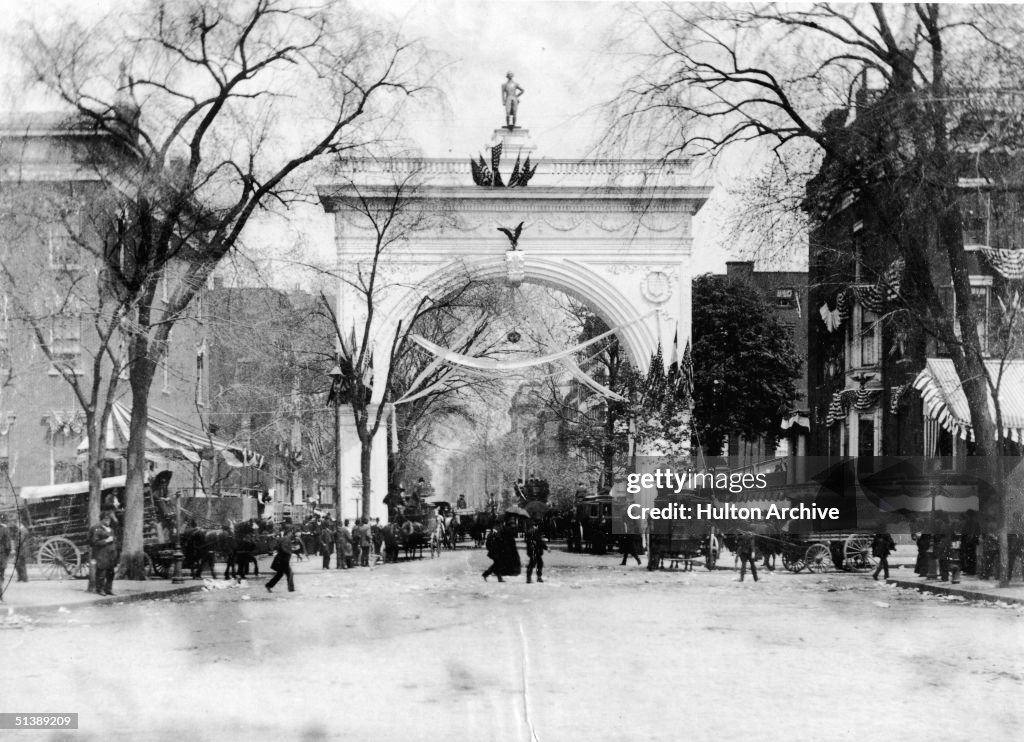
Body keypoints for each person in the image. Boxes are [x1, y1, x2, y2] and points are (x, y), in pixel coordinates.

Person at [89, 510, 119, 596]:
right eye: (105, 520)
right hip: (101, 554)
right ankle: (100, 590)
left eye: (109, 520)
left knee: (111, 573)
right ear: (101, 520)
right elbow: (94, 542)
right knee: (101, 573)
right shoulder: (97, 529)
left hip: (110, 555)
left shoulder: (111, 529)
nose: (108, 521)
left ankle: (108, 589)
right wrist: (106, 540)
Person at [266, 529, 296, 593]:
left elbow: (279, 547)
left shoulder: (283, 538)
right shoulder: (286, 539)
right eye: (291, 533)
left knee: (280, 574)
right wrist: (290, 552)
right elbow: (283, 547)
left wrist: (291, 549)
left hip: (280, 558)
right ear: (288, 533)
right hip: (283, 559)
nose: (292, 534)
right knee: (289, 573)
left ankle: (269, 585)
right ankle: (291, 588)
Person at [14, 517, 30, 582]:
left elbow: (20, 540)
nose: (16, 525)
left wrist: (16, 546)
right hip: (21, 549)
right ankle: (22, 577)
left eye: (16, 524)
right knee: (20, 564)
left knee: (20, 564)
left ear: (19, 523)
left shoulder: (23, 530)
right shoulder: (22, 530)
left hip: (22, 550)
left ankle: (23, 578)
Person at [0, 515, 12, 598]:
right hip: (1, 555)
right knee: (1, 576)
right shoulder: (4, 529)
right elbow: (8, 545)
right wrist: (8, 553)